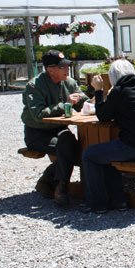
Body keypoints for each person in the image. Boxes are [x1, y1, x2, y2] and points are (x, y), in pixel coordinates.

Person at [81, 59, 135, 213]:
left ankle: (97, 204)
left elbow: (103, 116)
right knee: (107, 154)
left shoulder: (119, 91)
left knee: (89, 154)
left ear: (113, 76)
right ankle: (118, 201)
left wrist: (99, 90)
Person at [21, 50, 87, 206]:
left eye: (67, 66)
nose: (67, 69)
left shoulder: (69, 82)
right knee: (68, 146)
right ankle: (61, 188)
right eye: (62, 67)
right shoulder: (34, 86)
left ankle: (48, 181)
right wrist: (66, 105)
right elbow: (38, 114)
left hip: (59, 131)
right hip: (37, 133)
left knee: (78, 147)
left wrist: (95, 97)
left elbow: (83, 101)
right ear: (50, 69)